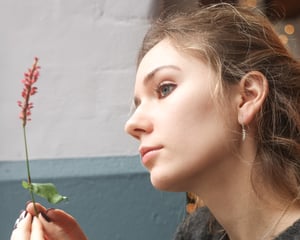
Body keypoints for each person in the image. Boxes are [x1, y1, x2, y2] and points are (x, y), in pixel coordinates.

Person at [10, 3, 300, 240]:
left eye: (164, 89)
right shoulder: (198, 233)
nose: (131, 124)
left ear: (247, 96)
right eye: (136, 104)